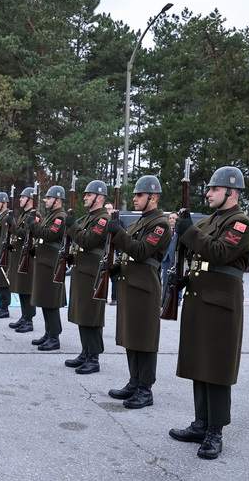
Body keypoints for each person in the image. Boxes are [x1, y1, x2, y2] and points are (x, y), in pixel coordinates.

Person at [168, 166, 249, 460]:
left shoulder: (240, 223)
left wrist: (188, 230)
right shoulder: (208, 220)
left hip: (221, 303)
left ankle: (215, 432)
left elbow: (219, 253)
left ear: (231, 192)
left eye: (214, 189)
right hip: (199, 296)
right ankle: (200, 423)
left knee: (216, 367)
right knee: (198, 362)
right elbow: (195, 254)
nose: (208, 193)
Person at [106, 175, 171, 409]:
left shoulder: (160, 224)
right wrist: (115, 268)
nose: (134, 198)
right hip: (130, 284)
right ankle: (134, 382)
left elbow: (142, 251)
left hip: (145, 288)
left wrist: (119, 234)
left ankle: (146, 389)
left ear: (153, 198)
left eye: (139, 195)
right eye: (134, 194)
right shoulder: (138, 223)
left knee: (144, 339)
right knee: (131, 337)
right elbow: (129, 254)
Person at [63, 180, 109, 374]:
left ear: (99, 197)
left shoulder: (103, 219)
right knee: (82, 312)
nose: (85, 198)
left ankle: (94, 357)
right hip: (83, 268)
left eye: (88, 195)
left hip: (92, 271)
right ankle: (85, 352)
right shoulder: (90, 218)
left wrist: (72, 227)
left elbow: (88, 241)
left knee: (91, 314)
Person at [27, 185, 67, 351]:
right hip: (44, 260)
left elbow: (50, 234)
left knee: (50, 301)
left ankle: (54, 337)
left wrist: (33, 226)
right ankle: (48, 333)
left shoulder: (60, 217)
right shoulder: (51, 215)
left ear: (57, 200)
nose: (46, 201)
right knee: (44, 299)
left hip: (51, 263)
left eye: (49, 198)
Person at [8, 188, 39, 333]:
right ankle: (24, 316)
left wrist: (12, 226)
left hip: (27, 257)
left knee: (26, 289)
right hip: (19, 255)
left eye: (23, 197)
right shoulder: (24, 214)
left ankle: (29, 319)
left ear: (30, 199)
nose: (20, 200)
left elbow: (26, 234)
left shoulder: (34, 215)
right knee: (21, 288)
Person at [104, 202, 124, 305]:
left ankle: (114, 298)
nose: (108, 210)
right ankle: (101, 296)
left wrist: (119, 253)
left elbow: (121, 237)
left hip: (114, 251)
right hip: (104, 251)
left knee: (114, 277)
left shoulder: (118, 222)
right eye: (106, 208)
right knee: (102, 275)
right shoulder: (102, 221)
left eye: (110, 208)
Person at [161, 212, 179, 297]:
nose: (172, 220)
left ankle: (177, 297)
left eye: (174, 218)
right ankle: (165, 297)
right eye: (170, 218)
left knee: (176, 278)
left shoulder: (179, 231)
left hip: (176, 258)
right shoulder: (165, 231)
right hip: (165, 258)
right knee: (165, 278)